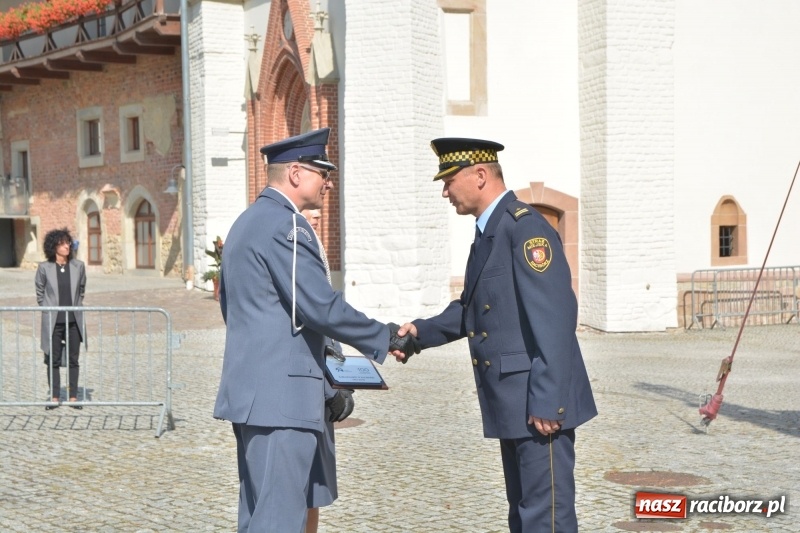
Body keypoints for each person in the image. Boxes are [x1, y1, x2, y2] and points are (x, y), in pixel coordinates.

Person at [213, 127, 418, 533]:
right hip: (283, 400)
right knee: (277, 523)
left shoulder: (246, 223)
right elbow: (319, 308)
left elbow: (242, 310)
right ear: (294, 174)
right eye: (321, 172)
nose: (327, 182)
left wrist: (327, 385)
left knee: (262, 513)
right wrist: (387, 336)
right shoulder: (288, 226)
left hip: (261, 395)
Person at [392, 137, 597, 533]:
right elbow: (475, 308)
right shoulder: (491, 231)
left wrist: (550, 402)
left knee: (546, 517)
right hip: (515, 401)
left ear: (481, 175)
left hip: (538, 406)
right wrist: (419, 332)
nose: (445, 191)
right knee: (523, 513)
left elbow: (556, 319)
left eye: (449, 180)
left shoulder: (526, 230)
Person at [301, 207, 345, 533]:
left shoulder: (315, 250)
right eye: (309, 212)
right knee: (296, 488)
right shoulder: (296, 252)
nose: (317, 217)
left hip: (321, 387)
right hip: (303, 389)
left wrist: (339, 377)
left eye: (318, 213)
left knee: (314, 486)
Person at [35, 227, 87, 410]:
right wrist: (48, 310)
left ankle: (73, 396)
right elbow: (40, 294)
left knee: (73, 359)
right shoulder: (44, 268)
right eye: (62, 243)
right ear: (53, 246)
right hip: (53, 322)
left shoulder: (78, 266)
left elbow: (81, 290)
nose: (67, 246)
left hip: (74, 321)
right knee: (53, 360)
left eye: (68, 242)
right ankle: (55, 397)